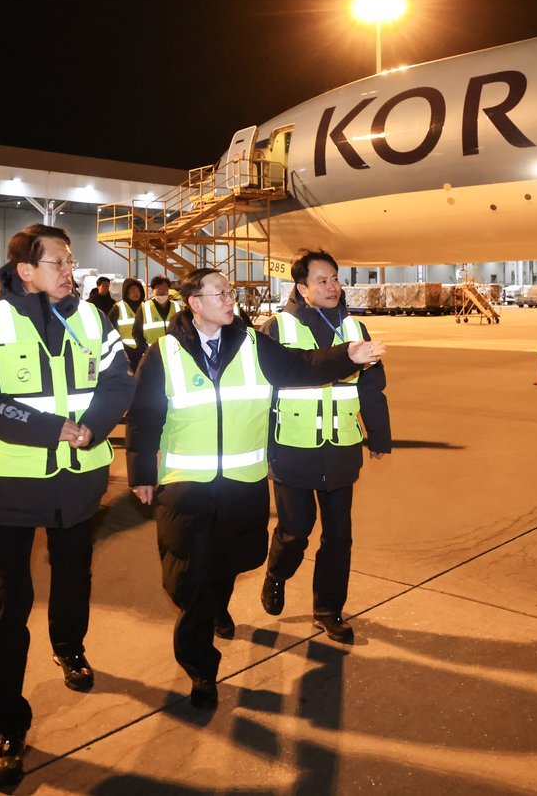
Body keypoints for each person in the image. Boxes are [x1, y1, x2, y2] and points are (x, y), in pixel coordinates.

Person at [125, 267, 384, 710]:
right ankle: (201, 669)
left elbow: (301, 366)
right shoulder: (164, 352)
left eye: (230, 291)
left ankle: (215, 605)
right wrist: (141, 474)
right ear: (195, 304)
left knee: (228, 562)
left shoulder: (252, 344)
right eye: (220, 293)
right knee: (190, 575)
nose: (230, 299)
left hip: (241, 484)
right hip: (186, 485)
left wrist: (348, 355)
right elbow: (143, 417)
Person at [0, 224, 135, 792]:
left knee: (74, 573)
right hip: (15, 483)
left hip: (78, 478)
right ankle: (8, 726)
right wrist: (52, 428)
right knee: (10, 605)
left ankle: (69, 647)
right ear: (25, 270)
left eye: (71, 261)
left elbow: (118, 381)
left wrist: (90, 428)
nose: (70, 270)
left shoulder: (92, 318)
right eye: (59, 262)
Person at [259, 250, 391, 644]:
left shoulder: (355, 327)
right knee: (295, 530)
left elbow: (371, 385)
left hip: (340, 448)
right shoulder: (277, 328)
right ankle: (276, 573)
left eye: (335, 278)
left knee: (339, 536)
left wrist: (378, 435)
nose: (332, 286)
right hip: (293, 448)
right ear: (301, 288)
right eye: (322, 280)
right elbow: (265, 389)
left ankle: (328, 609)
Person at [131, 275, 181, 360]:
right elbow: (137, 332)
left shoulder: (176, 307)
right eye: (158, 288)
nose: (162, 291)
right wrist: (145, 349)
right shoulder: (144, 307)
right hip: (152, 354)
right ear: (152, 290)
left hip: (174, 353)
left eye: (165, 288)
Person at [108, 277, 145, 371]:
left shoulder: (146, 307)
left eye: (138, 290)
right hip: (125, 353)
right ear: (126, 292)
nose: (136, 293)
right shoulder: (118, 309)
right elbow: (110, 332)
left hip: (144, 353)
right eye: (132, 290)